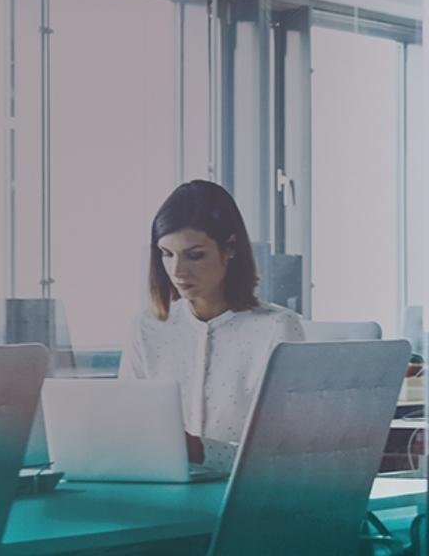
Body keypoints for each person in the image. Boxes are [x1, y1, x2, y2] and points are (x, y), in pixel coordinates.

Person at [119, 179, 304, 471]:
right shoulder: (146, 328)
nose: (177, 271)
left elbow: (284, 453)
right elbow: (126, 429)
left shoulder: (277, 328)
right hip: (161, 490)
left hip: (244, 499)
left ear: (229, 247)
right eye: (167, 254)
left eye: (195, 255)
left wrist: (200, 451)